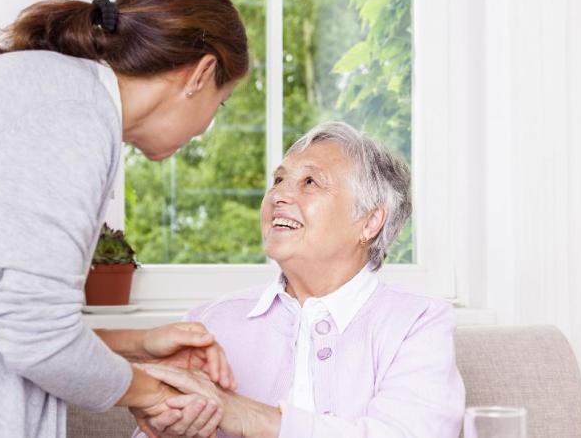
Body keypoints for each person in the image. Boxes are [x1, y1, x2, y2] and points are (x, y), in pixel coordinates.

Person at [0, 0, 249, 436]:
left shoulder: (53, 90)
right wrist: (156, 393)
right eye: (220, 103)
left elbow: (6, 326)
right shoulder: (74, 117)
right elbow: (37, 342)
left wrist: (139, 345)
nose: (209, 124)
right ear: (200, 74)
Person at [133, 122, 465, 438]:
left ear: (369, 221)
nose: (278, 196)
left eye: (310, 182)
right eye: (278, 180)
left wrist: (248, 415)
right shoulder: (208, 324)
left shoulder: (416, 323)